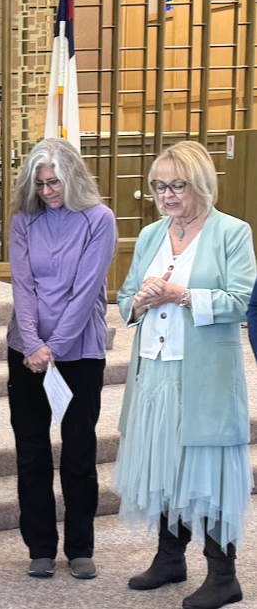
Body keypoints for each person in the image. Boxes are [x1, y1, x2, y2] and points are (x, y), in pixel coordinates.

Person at [114, 141, 255, 609]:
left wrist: (180, 294)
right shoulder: (153, 233)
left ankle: (223, 575)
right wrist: (139, 300)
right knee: (165, 463)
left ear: (201, 185)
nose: (167, 196)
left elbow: (239, 300)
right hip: (154, 370)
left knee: (208, 470)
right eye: (159, 186)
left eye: (177, 185)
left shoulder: (233, 232)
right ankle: (170, 558)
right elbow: (125, 296)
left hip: (204, 375)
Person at [5, 138, 116, 581]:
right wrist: (32, 343)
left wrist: (57, 345)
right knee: (30, 451)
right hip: (27, 352)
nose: (48, 191)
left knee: (78, 451)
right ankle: (40, 547)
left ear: (74, 177)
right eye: (40, 184)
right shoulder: (23, 220)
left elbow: (87, 288)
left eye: (55, 182)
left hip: (80, 351)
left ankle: (80, 546)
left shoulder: (99, 219)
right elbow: (23, 285)